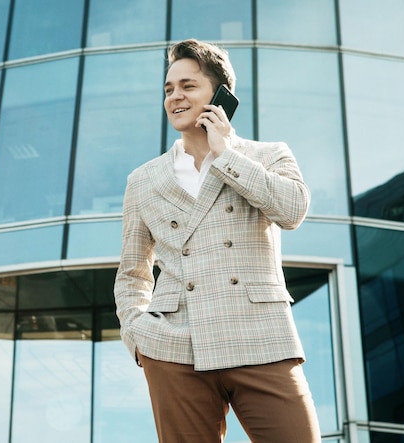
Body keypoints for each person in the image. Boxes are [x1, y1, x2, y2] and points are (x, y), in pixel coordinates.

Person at [113, 39, 321, 443]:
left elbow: (293, 211)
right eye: (169, 89)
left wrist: (225, 154)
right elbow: (133, 271)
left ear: (221, 95)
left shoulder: (267, 155)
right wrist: (137, 335)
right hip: (173, 348)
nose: (175, 97)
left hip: (260, 337)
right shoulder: (143, 180)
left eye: (188, 86)